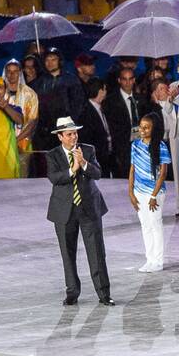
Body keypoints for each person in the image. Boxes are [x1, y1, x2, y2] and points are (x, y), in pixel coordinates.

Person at [46, 116, 113, 307]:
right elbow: (55, 178)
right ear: (60, 137)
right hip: (64, 210)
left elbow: (98, 173)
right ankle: (72, 292)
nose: (73, 137)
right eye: (69, 134)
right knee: (67, 253)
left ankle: (104, 293)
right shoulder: (53, 155)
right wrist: (72, 169)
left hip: (89, 208)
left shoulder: (88, 150)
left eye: (75, 133)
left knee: (96, 251)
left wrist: (83, 163)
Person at [127, 113, 170, 273]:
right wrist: (131, 192)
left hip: (155, 193)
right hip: (139, 192)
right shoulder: (135, 145)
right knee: (145, 225)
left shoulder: (160, 146)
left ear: (154, 128)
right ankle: (149, 259)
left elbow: (163, 173)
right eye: (141, 127)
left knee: (155, 225)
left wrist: (153, 196)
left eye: (146, 128)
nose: (142, 130)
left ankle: (158, 261)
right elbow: (132, 169)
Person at [102, 66, 142, 178]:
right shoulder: (110, 101)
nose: (128, 82)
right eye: (124, 79)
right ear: (119, 80)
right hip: (120, 149)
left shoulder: (141, 99)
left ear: (134, 80)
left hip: (139, 146)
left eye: (130, 79)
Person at [1, 58, 39, 175]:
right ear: (5, 73)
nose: (12, 74)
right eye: (9, 71)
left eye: (15, 71)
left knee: (22, 179)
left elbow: (32, 122)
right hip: (1, 144)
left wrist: (16, 140)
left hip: (23, 144)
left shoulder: (30, 94)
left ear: (20, 73)